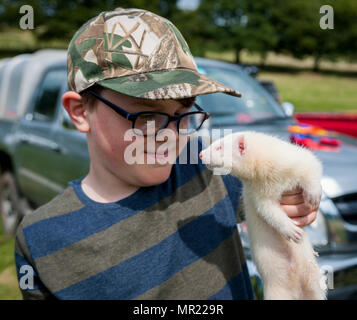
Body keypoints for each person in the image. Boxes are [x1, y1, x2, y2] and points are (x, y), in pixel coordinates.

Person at [14, 7, 319, 300]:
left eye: (184, 114)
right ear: (80, 112)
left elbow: (278, 170)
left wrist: (296, 195)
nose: (171, 136)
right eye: (147, 117)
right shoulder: (42, 238)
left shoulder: (207, 170)